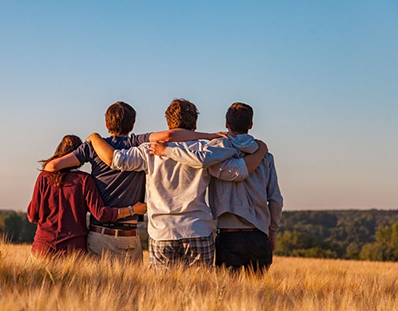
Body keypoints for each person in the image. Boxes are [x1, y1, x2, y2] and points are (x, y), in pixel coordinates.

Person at [86, 99, 268, 269]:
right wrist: (260, 151)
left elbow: (116, 160)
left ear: (168, 123)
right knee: (201, 295)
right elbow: (236, 172)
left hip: (162, 232)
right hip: (198, 230)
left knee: (162, 294)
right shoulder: (206, 150)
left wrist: (94, 137)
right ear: (194, 125)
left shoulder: (148, 150)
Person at [43, 101, 223, 261]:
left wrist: (83, 175)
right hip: (129, 235)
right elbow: (169, 137)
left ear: (106, 124)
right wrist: (209, 136)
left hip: (99, 234)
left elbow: (52, 167)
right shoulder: (137, 143)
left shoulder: (92, 147)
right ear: (133, 124)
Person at [151, 102, 283, 273]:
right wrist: (272, 234)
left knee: (227, 296)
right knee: (259, 297)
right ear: (251, 125)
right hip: (259, 236)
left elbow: (199, 160)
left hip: (228, 236)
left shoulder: (215, 152)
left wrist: (167, 150)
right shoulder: (265, 157)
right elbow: (275, 200)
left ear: (226, 124)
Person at [27, 135, 147, 258]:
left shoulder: (44, 177)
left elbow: (32, 216)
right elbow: (100, 214)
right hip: (73, 250)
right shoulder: (85, 180)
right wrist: (132, 210)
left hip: (42, 247)